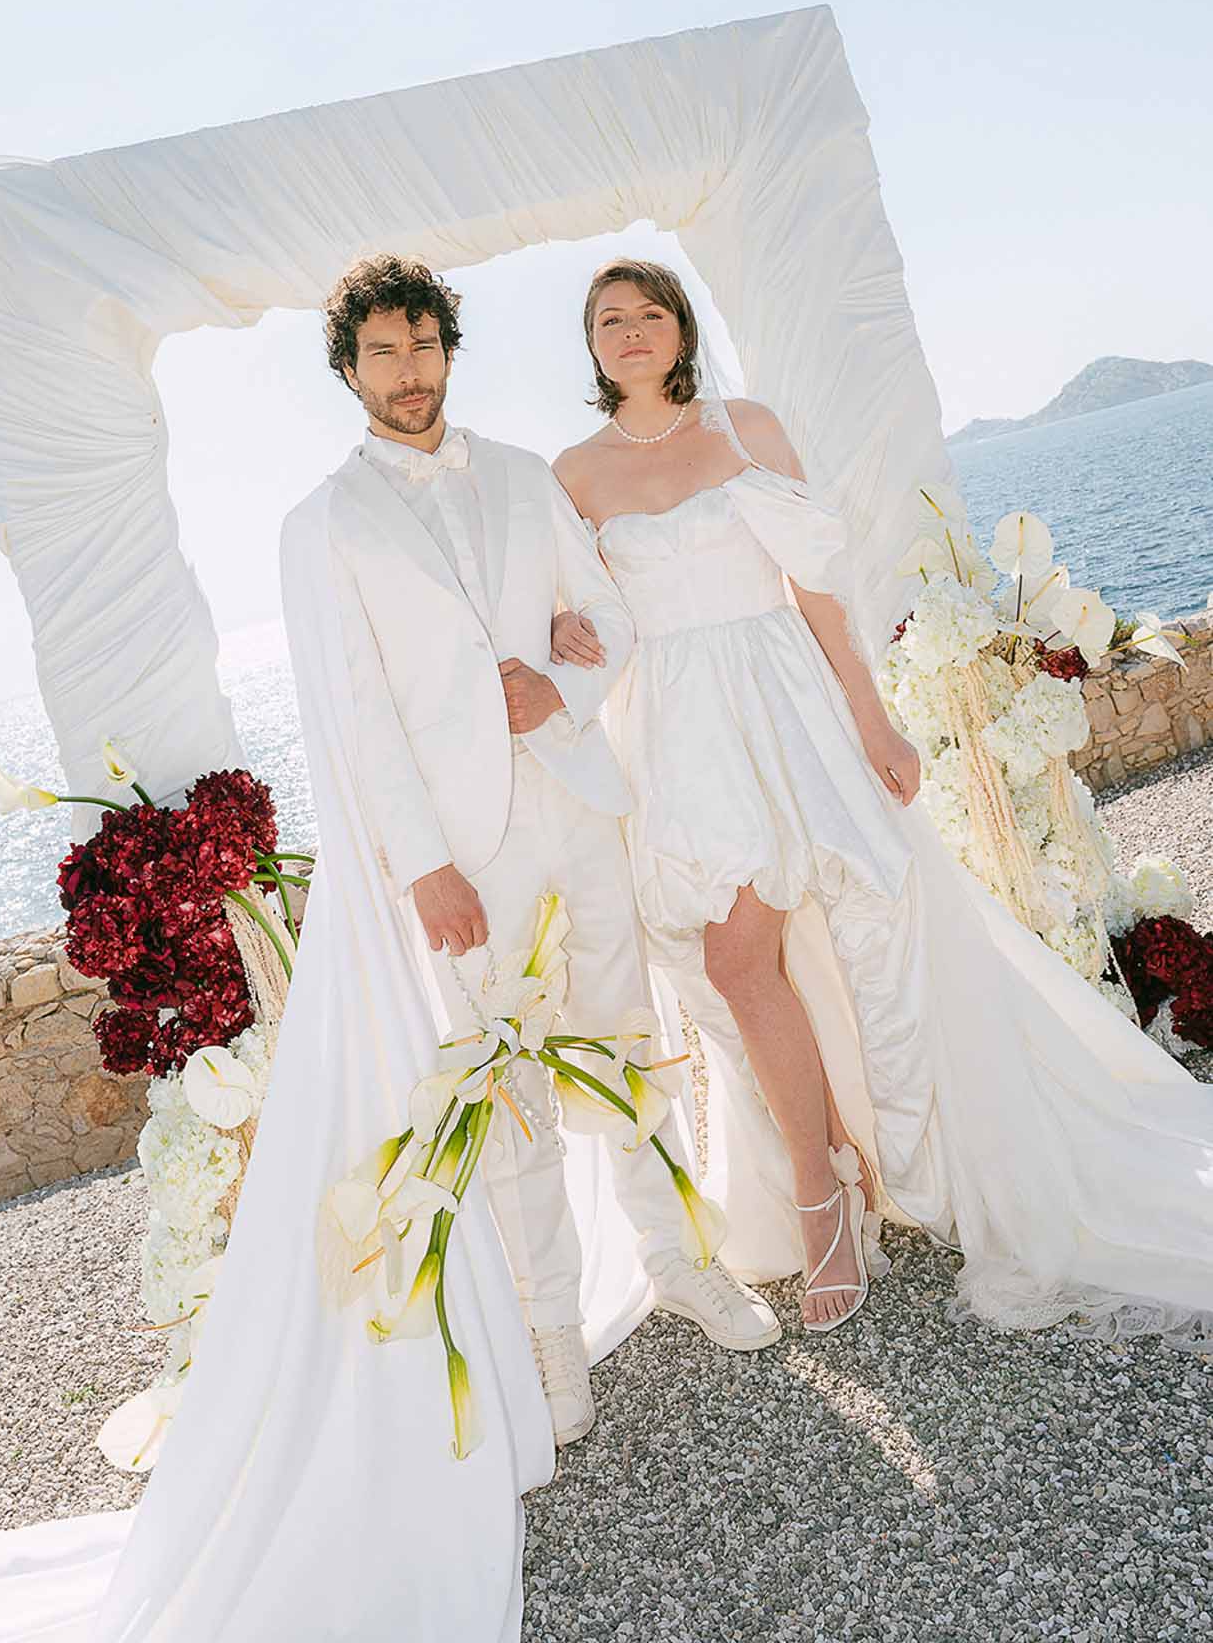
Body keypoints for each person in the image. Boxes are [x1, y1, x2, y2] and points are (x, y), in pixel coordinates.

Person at [550, 255, 1213, 1344]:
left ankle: (862, 1177)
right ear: (591, 344)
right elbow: (573, 609)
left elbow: (815, 589)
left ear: (679, 329)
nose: (629, 332)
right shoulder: (573, 473)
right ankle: (824, 1187)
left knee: (822, 935)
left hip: (782, 698)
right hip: (674, 726)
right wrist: (562, 631)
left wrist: (870, 717)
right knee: (733, 957)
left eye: (647, 313)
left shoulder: (747, 426)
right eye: (607, 319)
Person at [315, 252, 780, 1441]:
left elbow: (612, 616)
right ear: (350, 366)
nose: (408, 369)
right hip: (468, 852)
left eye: (424, 344)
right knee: (512, 1088)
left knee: (630, 1047)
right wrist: (425, 865)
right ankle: (551, 1332)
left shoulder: (528, 477)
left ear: (448, 349)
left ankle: (679, 1259)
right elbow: (362, 709)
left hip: (579, 805)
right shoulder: (333, 524)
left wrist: (560, 686)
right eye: (383, 350)